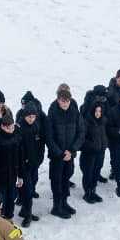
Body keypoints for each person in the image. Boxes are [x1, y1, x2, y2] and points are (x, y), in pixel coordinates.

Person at [44, 84, 84, 219]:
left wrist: (72, 151)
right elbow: (49, 137)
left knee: (66, 177)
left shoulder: (74, 111)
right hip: (57, 156)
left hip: (70, 154)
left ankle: (64, 202)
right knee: (57, 180)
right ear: (57, 99)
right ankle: (57, 206)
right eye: (62, 100)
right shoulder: (52, 112)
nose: (65, 103)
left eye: (67, 101)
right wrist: (60, 153)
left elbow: (81, 132)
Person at [0, 113, 21, 214]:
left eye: (12, 127)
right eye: (8, 128)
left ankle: (9, 220)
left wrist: (20, 176)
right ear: (2, 126)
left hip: (12, 177)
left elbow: (19, 158)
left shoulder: (16, 138)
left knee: (11, 200)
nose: (11, 130)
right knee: (0, 203)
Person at [15, 108, 44, 223]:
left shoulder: (36, 126)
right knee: (27, 189)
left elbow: (41, 144)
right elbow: (18, 149)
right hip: (24, 165)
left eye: (33, 117)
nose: (31, 119)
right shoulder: (19, 128)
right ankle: (28, 214)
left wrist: (39, 158)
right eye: (29, 117)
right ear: (24, 116)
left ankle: (24, 210)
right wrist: (21, 164)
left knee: (32, 185)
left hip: (34, 163)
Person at [78, 95, 107, 204]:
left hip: (100, 152)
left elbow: (104, 135)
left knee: (96, 171)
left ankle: (93, 191)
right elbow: (82, 140)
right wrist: (92, 145)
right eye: (96, 111)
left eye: (100, 111)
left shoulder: (103, 121)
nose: (98, 113)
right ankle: (87, 192)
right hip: (89, 154)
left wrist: (104, 144)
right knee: (88, 173)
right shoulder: (86, 122)